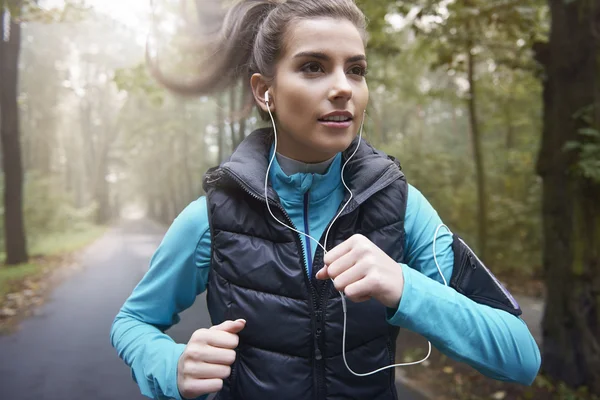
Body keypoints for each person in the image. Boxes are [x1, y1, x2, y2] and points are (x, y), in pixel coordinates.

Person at [110, 0, 541, 399]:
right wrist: (172, 365)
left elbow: (520, 355)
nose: (343, 88)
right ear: (266, 92)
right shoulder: (210, 217)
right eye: (314, 67)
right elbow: (132, 323)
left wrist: (406, 287)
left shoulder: (402, 206)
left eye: (355, 70)